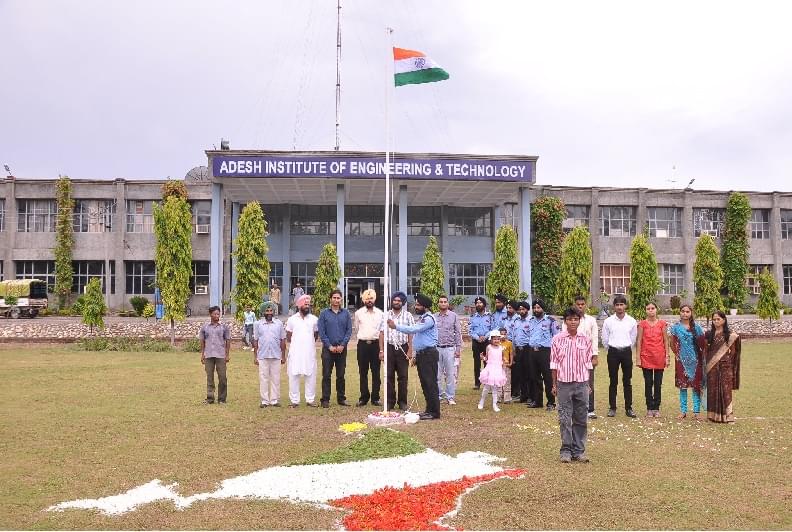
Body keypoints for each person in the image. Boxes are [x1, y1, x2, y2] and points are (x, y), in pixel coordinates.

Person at [551, 307, 594, 463]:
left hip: (582, 383)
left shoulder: (586, 339)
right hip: (564, 384)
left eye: (576, 319)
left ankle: (579, 451)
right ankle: (566, 451)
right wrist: (554, 384)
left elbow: (588, 364)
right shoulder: (557, 339)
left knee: (581, 418)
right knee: (564, 418)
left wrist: (588, 384)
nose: (573, 322)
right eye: (570, 319)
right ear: (565, 321)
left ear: (579, 321)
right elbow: (554, 364)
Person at [388, 293, 440, 420]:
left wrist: (396, 326)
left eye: (418, 305)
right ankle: (429, 409)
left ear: (425, 307)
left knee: (430, 383)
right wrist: (416, 355)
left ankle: (434, 412)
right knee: (425, 383)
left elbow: (413, 330)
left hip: (429, 354)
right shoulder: (423, 318)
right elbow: (419, 339)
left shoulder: (428, 319)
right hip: (423, 354)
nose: (415, 306)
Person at [562, 296, 600, 418]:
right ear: (574, 305)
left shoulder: (591, 320)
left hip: (587, 356)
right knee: (572, 381)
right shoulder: (568, 319)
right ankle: (573, 407)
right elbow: (564, 336)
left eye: (582, 304)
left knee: (588, 381)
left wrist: (595, 356)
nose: (580, 306)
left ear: (585, 305)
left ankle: (590, 409)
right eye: (578, 304)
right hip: (571, 356)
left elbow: (594, 339)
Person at [601, 295, 637, 418]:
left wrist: (626, 348)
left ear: (625, 306)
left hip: (626, 352)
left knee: (627, 381)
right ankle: (612, 408)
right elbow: (605, 339)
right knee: (613, 381)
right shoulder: (608, 321)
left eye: (622, 304)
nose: (619, 307)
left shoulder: (631, 321)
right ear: (614, 307)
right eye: (617, 305)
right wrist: (611, 348)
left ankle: (629, 408)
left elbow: (633, 338)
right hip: (613, 352)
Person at [669, 304, 706, 420]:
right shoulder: (675, 328)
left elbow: (702, 344)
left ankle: (696, 412)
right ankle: (683, 411)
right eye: (683, 311)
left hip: (695, 361)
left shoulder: (697, 328)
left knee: (696, 386)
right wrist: (678, 355)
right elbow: (672, 343)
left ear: (691, 313)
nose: (685, 314)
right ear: (680, 312)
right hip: (681, 361)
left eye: (687, 311)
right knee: (683, 386)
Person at [317, 289, 352, 408]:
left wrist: (343, 345)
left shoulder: (346, 313)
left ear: (341, 299)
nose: (336, 300)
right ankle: (325, 399)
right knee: (326, 374)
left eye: (338, 298)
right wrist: (329, 346)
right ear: (330, 299)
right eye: (334, 298)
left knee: (341, 375)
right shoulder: (324, 313)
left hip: (342, 349)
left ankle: (341, 398)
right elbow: (322, 332)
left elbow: (349, 331)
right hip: (328, 349)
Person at [704, 311, 741, 423]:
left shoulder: (730, 335)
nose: (716, 321)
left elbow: (733, 352)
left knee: (726, 390)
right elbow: (706, 351)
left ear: (724, 320)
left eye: (718, 319)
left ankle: (728, 416)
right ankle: (713, 416)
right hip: (712, 367)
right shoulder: (709, 334)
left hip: (726, 366)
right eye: (714, 319)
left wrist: (726, 361)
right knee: (713, 390)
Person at [636, 302, 670, 418]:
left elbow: (666, 340)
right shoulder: (642, 324)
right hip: (646, 357)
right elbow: (639, 341)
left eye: (653, 308)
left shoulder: (662, 324)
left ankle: (656, 408)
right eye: (648, 308)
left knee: (658, 384)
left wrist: (667, 357)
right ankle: (649, 408)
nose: (651, 310)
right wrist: (638, 358)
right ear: (646, 310)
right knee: (648, 383)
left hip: (659, 357)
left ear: (656, 309)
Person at [285, 294, 319, 407]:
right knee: (293, 375)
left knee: (311, 375)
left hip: (309, 352)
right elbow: (289, 336)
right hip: (295, 352)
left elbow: (315, 334)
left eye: (308, 304)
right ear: (299, 305)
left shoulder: (314, 319)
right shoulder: (292, 319)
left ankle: (310, 399)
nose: (307, 306)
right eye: (305, 304)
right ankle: (294, 401)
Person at [381, 291, 414, 411]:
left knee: (403, 376)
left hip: (403, 348)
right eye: (395, 300)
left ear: (403, 302)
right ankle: (390, 402)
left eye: (399, 301)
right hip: (389, 347)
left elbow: (411, 333)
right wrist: (381, 350)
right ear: (392, 301)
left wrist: (410, 350)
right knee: (389, 375)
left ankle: (402, 402)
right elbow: (382, 333)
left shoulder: (408, 316)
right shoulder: (386, 315)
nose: (396, 302)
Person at [252, 301, 286, 407]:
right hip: (262, 355)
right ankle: (265, 400)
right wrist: (255, 357)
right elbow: (255, 340)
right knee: (264, 378)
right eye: (267, 311)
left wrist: (283, 356)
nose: (269, 313)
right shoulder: (258, 324)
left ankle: (274, 400)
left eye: (271, 311)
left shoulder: (279, 323)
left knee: (275, 378)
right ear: (263, 312)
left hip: (276, 355)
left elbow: (283, 339)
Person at [527, 299, 559, 410]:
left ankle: (551, 402)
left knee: (548, 378)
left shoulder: (550, 321)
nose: (536, 310)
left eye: (538, 307)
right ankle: (537, 401)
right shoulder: (530, 321)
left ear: (543, 308)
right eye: (534, 308)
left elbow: (556, 338)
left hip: (545, 352)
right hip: (532, 351)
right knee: (535, 377)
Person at [354, 289, 384, 407]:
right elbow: (357, 328)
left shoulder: (380, 313)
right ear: (363, 300)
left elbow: (382, 330)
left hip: (376, 344)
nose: (369, 300)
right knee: (363, 372)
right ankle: (363, 397)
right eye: (367, 298)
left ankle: (375, 398)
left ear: (374, 299)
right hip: (362, 345)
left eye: (371, 298)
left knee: (376, 372)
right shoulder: (359, 313)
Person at [199, 306, 231, 404]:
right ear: (210, 314)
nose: (217, 316)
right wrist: (202, 354)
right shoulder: (205, 327)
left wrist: (227, 354)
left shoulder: (224, 327)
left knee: (222, 377)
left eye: (218, 314)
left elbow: (228, 340)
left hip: (220, 355)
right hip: (208, 355)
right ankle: (210, 398)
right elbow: (202, 341)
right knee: (210, 377)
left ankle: (222, 399)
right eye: (215, 314)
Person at [435, 295, 462, 405]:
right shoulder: (434, 316)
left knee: (450, 374)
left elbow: (458, 333)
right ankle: (439, 395)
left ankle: (450, 397)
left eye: (445, 302)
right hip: (437, 348)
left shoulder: (454, 316)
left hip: (450, 348)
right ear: (438, 304)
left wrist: (458, 349)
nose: (443, 303)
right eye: (441, 302)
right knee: (437, 374)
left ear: (448, 303)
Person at [478, 330, 508, 412]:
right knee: (486, 388)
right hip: (490, 369)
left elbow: (502, 357)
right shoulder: (489, 347)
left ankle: (494, 404)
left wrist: (505, 360)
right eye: (494, 339)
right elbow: (486, 358)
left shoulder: (501, 348)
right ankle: (482, 401)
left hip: (497, 369)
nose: (496, 341)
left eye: (498, 339)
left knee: (495, 388)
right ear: (491, 340)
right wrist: (482, 357)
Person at [468, 297, 492, 390]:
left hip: (487, 341)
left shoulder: (490, 316)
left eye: (480, 303)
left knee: (487, 362)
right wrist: (478, 338)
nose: (478, 304)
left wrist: (485, 337)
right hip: (476, 342)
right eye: (477, 303)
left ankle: (487, 382)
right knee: (477, 363)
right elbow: (470, 330)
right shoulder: (473, 317)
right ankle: (477, 383)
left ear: (484, 305)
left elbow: (492, 328)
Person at [511, 301, 531, 403]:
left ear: (527, 310)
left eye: (523, 309)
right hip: (518, 349)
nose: (521, 311)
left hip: (528, 349)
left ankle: (530, 396)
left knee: (529, 373)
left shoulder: (531, 321)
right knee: (520, 373)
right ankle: (523, 396)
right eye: (520, 309)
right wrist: (513, 349)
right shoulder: (516, 321)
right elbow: (514, 336)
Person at [498, 326, 514, 403]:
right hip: (498, 365)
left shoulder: (509, 343)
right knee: (498, 381)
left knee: (507, 381)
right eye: (501, 334)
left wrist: (511, 362)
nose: (503, 336)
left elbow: (511, 354)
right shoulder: (496, 343)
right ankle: (498, 397)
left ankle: (507, 398)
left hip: (506, 364)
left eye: (504, 334)